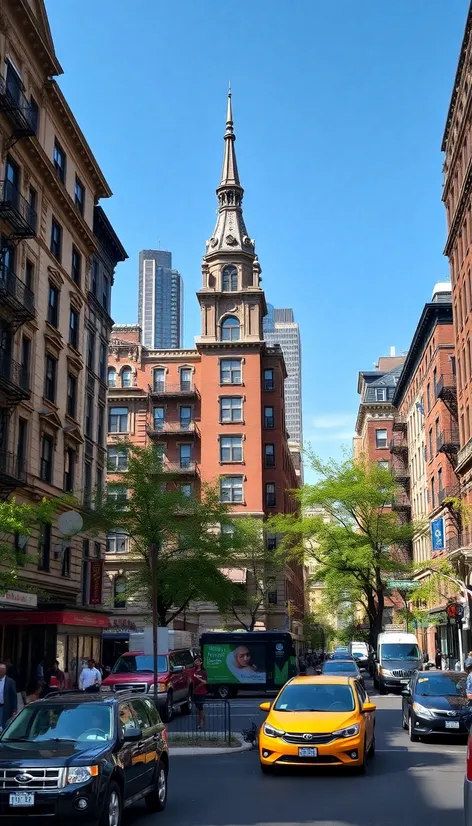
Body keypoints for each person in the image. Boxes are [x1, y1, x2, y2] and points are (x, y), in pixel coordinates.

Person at [0, 663, 18, 729]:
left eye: (0, 670)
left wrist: (14, 709)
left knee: (4, 724)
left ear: (4, 671)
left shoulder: (10, 682)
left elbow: (14, 696)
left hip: (5, 706)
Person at [193, 657, 207, 730]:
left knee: (200, 707)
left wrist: (199, 679)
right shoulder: (193, 671)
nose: (197, 662)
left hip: (201, 692)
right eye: (196, 661)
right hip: (194, 692)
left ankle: (201, 723)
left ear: (201, 663)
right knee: (197, 708)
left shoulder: (203, 672)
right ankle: (201, 720)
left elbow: (205, 682)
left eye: (199, 661)